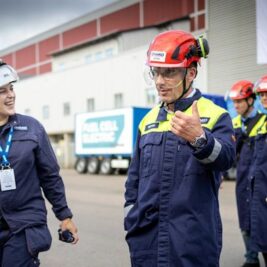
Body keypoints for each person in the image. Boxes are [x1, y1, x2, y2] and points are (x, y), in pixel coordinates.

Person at [124, 30, 235, 267]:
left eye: (170, 72)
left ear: (191, 73)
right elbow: (134, 178)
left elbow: (226, 158)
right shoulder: (148, 121)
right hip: (147, 240)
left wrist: (200, 139)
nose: (160, 81)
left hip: (191, 242)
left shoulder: (215, 116)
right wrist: (131, 215)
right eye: (156, 72)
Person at [0, 60, 79, 266]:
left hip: (24, 225)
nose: (11, 95)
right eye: (2, 91)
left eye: (12, 88)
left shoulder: (32, 128)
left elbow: (50, 176)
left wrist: (65, 216)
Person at [228, 80, 266, 267]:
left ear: (251, 101)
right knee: (245, 218)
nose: (236, 106)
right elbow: (228, 154)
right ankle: (251, 257)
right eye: (234, 102)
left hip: (260, 180)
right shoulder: (232, 123)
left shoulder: (263, 122)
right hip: (242, 179)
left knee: (262, 218)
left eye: (240, 102)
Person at [249, 75, 267, 267]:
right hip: (260, 193)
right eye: (261, 95)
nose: (263, 98)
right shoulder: (262, 123)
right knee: (263, 240)